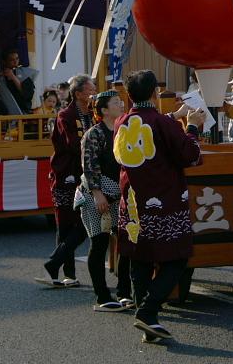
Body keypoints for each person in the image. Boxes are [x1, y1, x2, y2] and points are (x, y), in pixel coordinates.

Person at [114, 69, 204, 341]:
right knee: (177, 256)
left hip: (132, 202)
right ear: (155, 92)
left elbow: (149, 125)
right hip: (164, 200)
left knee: (140, 258)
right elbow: (190, 155)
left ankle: (148, 320)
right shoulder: (162, 124)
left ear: (129, 95)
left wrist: (174, 118)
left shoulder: (122, 122)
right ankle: (148, 311)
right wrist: (191, 127)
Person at [36, 73, 96, 288]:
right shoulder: (66, 115)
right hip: (66, 175)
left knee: (82, 223)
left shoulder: (92, 113)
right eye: (90, 90)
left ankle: (57, 266)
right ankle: (66, 272)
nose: (93, 93)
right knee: (65, 224)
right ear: (78, 94)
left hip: (86, 175)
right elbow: (74, 145)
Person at [78, 90, 133, 312]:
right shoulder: (94, 134)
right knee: (99, 243)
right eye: (115, 102)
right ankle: (102, 295)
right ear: (103, 110)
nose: (121, 104)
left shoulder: (124, 130)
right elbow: (89, 166)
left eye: (121, 101)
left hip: (120, 194)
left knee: (126, 242)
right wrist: (97, 193)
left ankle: (124, 292)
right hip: (97, 195)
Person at [0, 49, 37, 114]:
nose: (15, 62)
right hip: (6, 111)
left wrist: (13, 77)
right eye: (11, 60)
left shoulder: (25, 73)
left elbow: (28, 94)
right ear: (5, 61)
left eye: (17, 59)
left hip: (23, 110)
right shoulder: (0, 75)